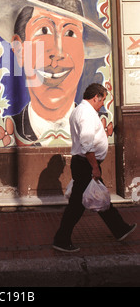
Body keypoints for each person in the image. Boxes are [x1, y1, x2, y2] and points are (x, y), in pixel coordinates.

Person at [0, 0, 111, 145]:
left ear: (83, 52)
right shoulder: (6, 129)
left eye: (70, 33)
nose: (58, 52)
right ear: (20, 49)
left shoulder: (94, 125)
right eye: (43, 31)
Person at [53, 83, 137, 252]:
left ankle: (119, 228)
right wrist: (94, 167)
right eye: (103, 99)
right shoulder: (86, 114)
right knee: (77, 205)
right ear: (96, 97)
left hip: (85, 164)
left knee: (100, 197)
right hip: (86, 164)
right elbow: (86, 144)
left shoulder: (81, 110)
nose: (103, 104)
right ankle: (61, 239)